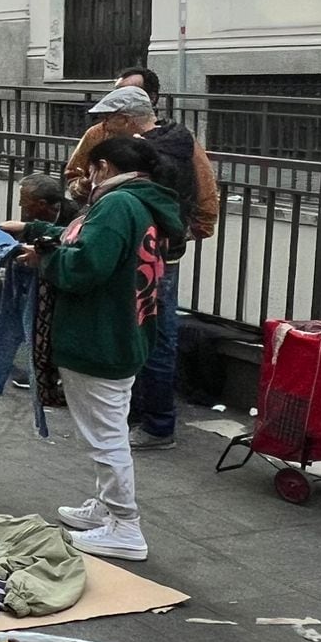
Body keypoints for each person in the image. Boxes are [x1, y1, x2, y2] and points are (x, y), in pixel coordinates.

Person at [8, 134, 182, 562]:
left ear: (102, 167)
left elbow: (85, 265)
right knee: (111, 428)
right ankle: (106, 508)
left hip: (100, 337)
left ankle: (126, 526)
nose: (81, 178)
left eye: (87, 169)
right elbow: (83, 241)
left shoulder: (117, 204)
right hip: (120, 334)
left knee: (105, 437)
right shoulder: (135, 201)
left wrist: (42, 259)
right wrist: (34, 231)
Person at [73, 82, 215, 450]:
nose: (103, 127)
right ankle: (143, 414)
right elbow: (205, 186)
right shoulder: (181, 141)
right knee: (150, 332)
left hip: (147, 252)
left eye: (107, 120)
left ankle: (156, 423)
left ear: (125, 119)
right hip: (165, 248)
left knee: (153, 335)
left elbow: (197, 190)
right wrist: (196, 226)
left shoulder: (146, 154)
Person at [0, 175, 66, 393]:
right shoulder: (34, 215)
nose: (21, 205)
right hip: (32, 268)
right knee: (6, 291)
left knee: (26, 312)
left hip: (57, 277)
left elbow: (67, 244)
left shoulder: (71, 216)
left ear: (41, 204)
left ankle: (36, 367)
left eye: (24, 200)